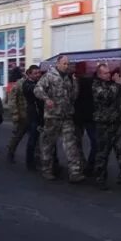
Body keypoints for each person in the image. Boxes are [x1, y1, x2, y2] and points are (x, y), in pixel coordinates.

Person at [34, 55, 85, 183]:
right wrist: (46, 99)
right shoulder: (49, 76)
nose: (66, 66)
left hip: (66, 116)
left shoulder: (68, 78)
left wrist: (75, 83)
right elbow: (37, 89)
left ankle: (75, 173)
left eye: (68, 64)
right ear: (58, 63)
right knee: (48, 145)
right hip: (52, 116)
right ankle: (47, 170)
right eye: (64, 63)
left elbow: (73, 97)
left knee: (71, 144)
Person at [91, 64, 121, 189]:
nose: (108, 75)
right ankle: (100, 179)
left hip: (116, 122)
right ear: (99, 74)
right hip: (103, 124)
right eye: (105, 73)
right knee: (102, 153)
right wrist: (117, 84)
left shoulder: (111, 84)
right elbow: (107, 97)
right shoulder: (96, 85)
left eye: (109, 72)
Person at [74, 74, 98, 176]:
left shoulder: (76, 81)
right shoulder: (92, 81)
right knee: (93, 142)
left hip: (83, 115)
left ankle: (85, 165)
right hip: (85, 116)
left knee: (78, 143)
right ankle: (87, 165)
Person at [22, 65, 44, 170]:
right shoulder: (27, 84)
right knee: (32, 140)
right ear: (29, 74)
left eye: (39, 73)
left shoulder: (37, 82)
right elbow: (34, 90)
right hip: (32, 116)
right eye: (35, 73)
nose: (38, 75)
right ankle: (29, 162)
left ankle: (38, 160)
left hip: (40, 115)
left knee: (40, 140)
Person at [6, 68, 29, 163]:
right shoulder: (18, 84)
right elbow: (12, 101)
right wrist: (15, 114)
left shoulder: (32, 83)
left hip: (31, 115)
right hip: (21, 115)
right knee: (17, 136)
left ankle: (35, 158)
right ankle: (10, 153)